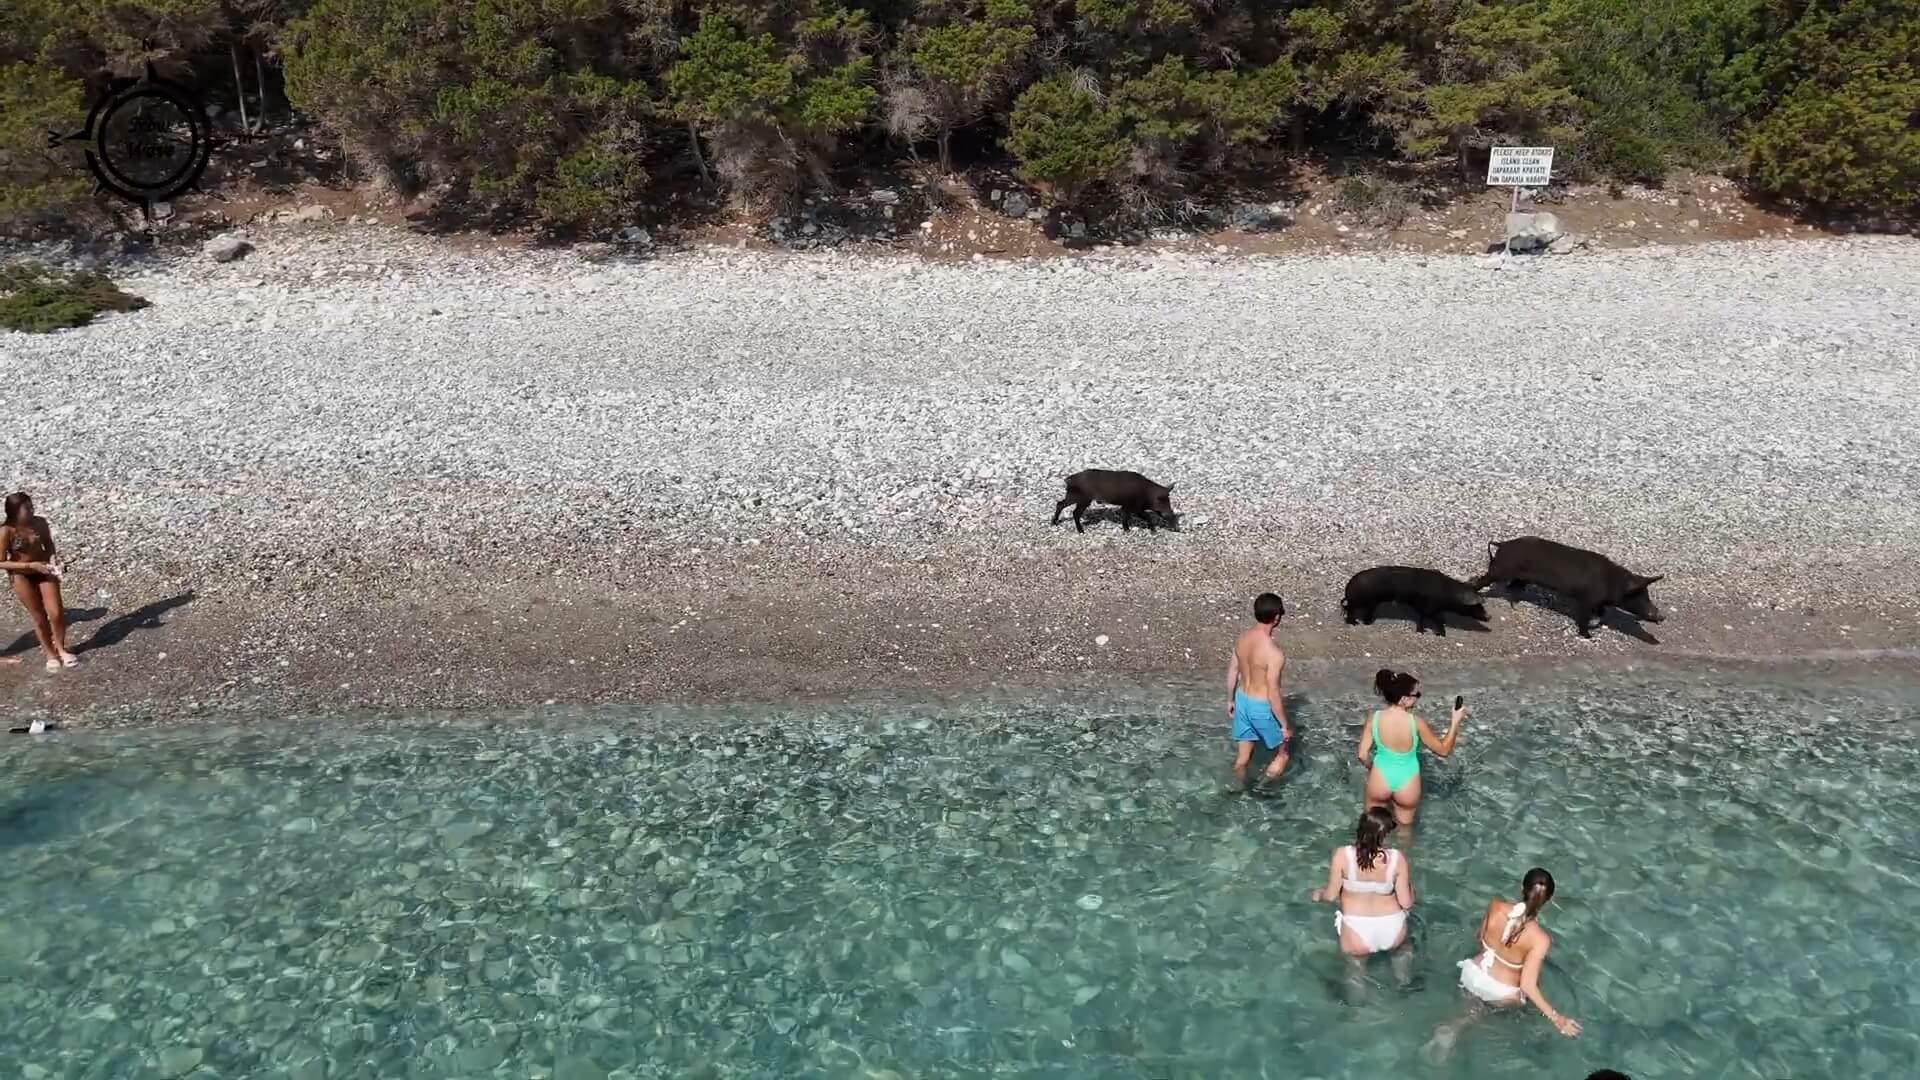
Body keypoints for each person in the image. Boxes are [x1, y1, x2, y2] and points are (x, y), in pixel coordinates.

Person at [1456, 868, 1581, 1035]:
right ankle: (1462, 1023)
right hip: (1501, 995)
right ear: (1549, 900)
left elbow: (1480, 937)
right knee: (1525, 1009)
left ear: (1521, 888)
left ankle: (1460, 1022)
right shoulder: (1540, 939)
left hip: (1471, 973)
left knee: (1473, 1006)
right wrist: (1557, 1019)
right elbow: (1527, 985)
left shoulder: (1496, 906)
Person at [1357, 669, 1464, 830]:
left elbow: (1362, 755)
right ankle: (1401, 855)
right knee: (1405, 833)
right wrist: (1455, 721)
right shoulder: (1416, 722)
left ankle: (1368, 855)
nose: (1418, 698)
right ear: (1404, 699)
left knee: (1370, 830)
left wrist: (1372, 768)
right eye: (1416, 695)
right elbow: (1443, 750)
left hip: (1379, 779)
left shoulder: (1375, 718)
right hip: (1407, 784)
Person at [1309, 807, 1413, 956]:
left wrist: (1318, 894)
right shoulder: (1397, 859)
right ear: (1386, 834)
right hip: (1393, 926)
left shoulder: (1342, 855)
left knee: (1356, 977)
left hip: (1356, 928)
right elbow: (1406, 903)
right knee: (1403, 971)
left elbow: (1330, 896)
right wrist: (1411, 890)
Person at [0, 492, 78, 671]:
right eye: (27, 508)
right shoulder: (6, 531)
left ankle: (61, 649)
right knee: (39, 616)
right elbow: (1, 561)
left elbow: (49, 544)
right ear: (14, 511)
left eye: (31, 506)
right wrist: (30, 566)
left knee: (56, 612)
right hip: (21, 575)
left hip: (44, 570)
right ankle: (50, 653)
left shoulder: (39, 522)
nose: (31, 510)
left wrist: (53, 560)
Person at [1225, 592, 1289, 791]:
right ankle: (1262, 791)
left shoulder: (1242, 639)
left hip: (1242, 699)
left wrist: (1230, 700)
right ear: (1277, 617)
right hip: (1261, 706)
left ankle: (1237, 789)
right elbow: (1273, 693)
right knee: (1283, 754)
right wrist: (1285, 725)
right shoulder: (1274, 653)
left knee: (1242, 758)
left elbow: (1233, 671)